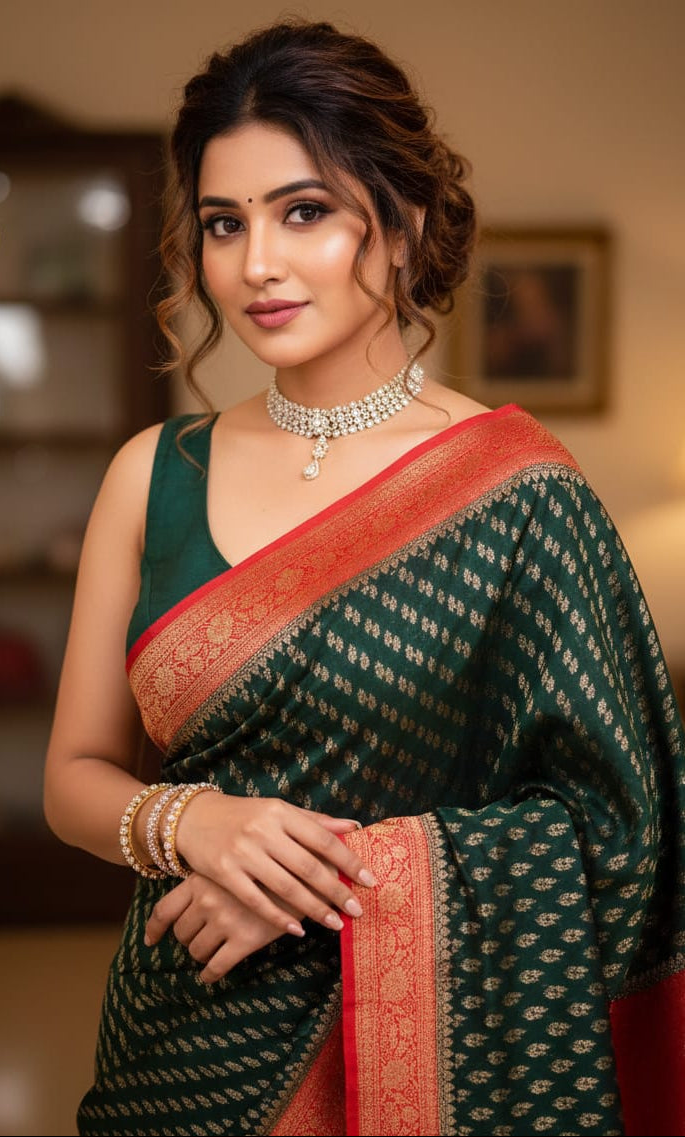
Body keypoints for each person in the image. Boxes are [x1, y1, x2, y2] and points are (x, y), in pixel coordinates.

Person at [43, 19, 685, 1137]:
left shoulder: (521, 495)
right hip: (175, 1048)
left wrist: (344, 875)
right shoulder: (152, 476)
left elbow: (619, 832)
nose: (256, 265)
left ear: (401, 225)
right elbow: (72, 777)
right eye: (222, 225)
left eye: (304, 212)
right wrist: (197, 823)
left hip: (427, 1074)